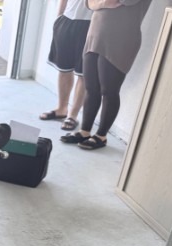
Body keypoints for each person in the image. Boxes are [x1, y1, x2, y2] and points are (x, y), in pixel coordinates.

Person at [61, 0, 153, 150]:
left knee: (109, 91)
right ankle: (84, 131)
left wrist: (100, 3)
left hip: (120, 39)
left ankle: (101, 136)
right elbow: (88, 3)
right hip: (95, 34)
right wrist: (102, 3)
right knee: (91, 88)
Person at [40, 0, 92, 131]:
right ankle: (61, 108)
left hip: (90, 24)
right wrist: (59, 17)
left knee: (83, 74)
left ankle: (72, 116)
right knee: (64, 70)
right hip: (67, 20)